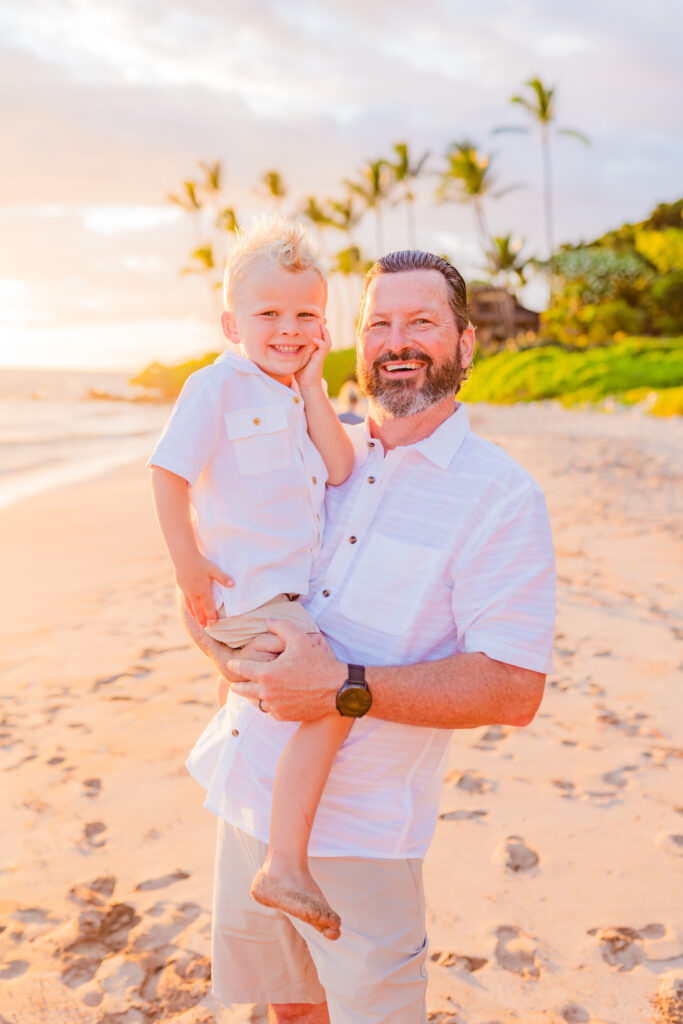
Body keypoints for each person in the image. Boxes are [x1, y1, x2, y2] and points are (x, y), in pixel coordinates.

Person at [182, 250, 556, 1024]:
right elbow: (233, 554)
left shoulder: (500, 497)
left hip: (365, 837)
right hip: (245, 793)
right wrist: (206, 618)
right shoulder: (308, 449)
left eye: (421, 322)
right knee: (287, 1010)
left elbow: (515, 688)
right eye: (378, 323)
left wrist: (345, 686)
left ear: (465, 342)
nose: (397, 340)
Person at [149, 218, 357, 943]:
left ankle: (243, 790)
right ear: (231, 323)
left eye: (306, 315)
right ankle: (286, 866)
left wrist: (315, 388)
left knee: (253, 712)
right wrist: (186, 561)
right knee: (333, 694)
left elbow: (338, 469)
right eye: (269, 314)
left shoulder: (298, 394)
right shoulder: (216, 387)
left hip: (286, 596)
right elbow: (168, 472)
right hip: (248, 594)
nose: (289, 328)